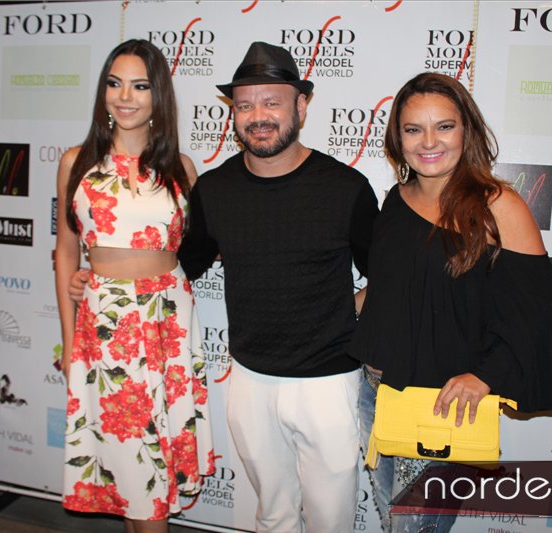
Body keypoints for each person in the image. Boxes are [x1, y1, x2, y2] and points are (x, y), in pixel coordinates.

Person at [70, 41, 379, 532]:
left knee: (331, 520)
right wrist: (102, 276)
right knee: (272, 516)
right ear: (232, 114)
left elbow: (382, 273)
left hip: (328, 382)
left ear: (301, 106)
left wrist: (351, 307)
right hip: (250, 379)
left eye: (272, 102)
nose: (258, 116)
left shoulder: (346, 187)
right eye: (245, 105)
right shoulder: (213, 190)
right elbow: (178, 265)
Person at [349, 72, 552, 531]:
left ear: (466, 130)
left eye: (444, 126)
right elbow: (386, 289)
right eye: (413, 129)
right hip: (375, 392)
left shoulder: (498, 206)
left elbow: (536, 313)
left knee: (415, 527)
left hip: (441, 404)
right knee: (391, 520)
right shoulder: (396, 199)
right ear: (398, 137)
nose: (429, 142)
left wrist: (485, 376)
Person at [54, 39, 214, 532]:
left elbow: (200, 249)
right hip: (106, 326)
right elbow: (65, 251)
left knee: (148, 473)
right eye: (115, 83)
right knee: (133, 470)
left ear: (158, 95)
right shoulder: (76, 163)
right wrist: (69, 340)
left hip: (167, 325)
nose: (125, 96)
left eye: (140, 86)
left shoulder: (182, 168)